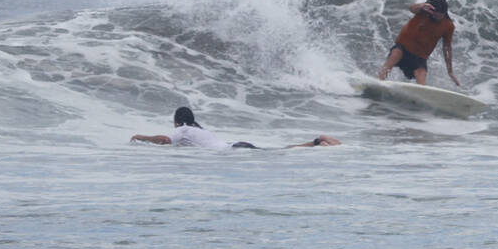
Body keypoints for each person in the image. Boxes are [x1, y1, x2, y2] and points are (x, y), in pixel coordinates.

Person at [130, 107, 341, 149]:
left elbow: (164, 140)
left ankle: (318, 142)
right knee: (279, 151)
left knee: (280, 152)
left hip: (235, 150)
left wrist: (142, 137)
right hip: (236, 146)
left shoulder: (183, 129)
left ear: (177, 121)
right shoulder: (199, 130)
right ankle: (317, 142)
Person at [377, 0, 460, 86]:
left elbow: (447, 48)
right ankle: (379, 81)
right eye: (436, 14)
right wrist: (421, 6)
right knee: (396, 53)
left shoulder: (448, 26)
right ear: (432, 10)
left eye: (441, 15)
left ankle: (419, 96)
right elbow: (411, 8)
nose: (438, 17)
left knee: (421, 75)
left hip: (419, 58)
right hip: (402, 49)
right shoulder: (423, 12)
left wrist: (450, 71)